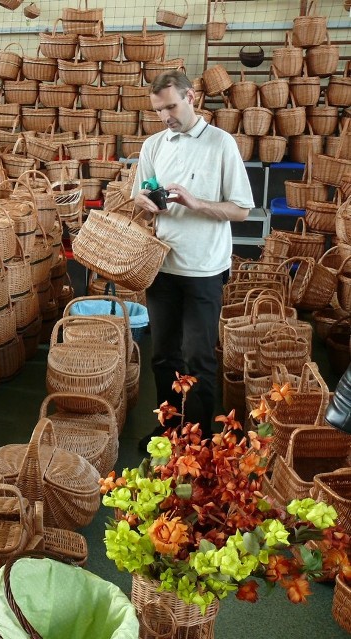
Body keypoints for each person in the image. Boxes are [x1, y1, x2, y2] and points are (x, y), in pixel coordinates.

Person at [131, 70, 254, 443]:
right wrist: (148, 202)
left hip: (204, 269)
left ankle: (197, 438)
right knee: (163, 355)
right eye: (158, 109)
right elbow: (139, 196)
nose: (166, 115)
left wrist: (195, 202)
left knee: (198, 357)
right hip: (162, 266)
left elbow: (242, 209)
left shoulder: (220, 144)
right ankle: (170, 431)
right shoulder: (154, 145)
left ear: (191, 98)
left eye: (171, 105)